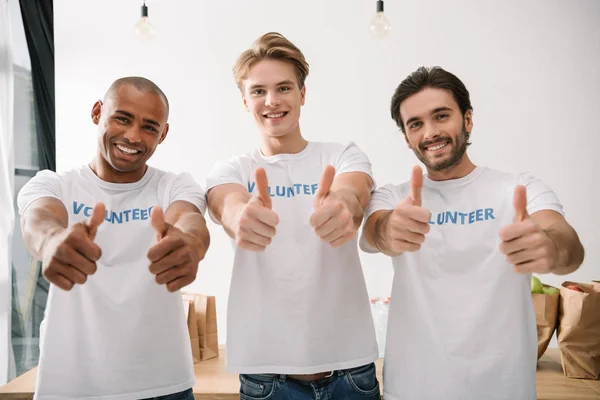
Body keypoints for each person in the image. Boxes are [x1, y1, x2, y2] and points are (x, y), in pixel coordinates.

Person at [360, 66, 585, 400]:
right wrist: (391, 229)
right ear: (407, 138)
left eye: (441, 116)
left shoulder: (518, 188)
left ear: (467, 119)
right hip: (412, 389)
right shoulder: (393, 197)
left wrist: (550, 249)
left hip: (504, 390)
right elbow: (376, 233)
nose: (430, 132)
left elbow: (567, 244)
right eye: (416, 124)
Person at [206, 32, 381, 399]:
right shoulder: (231, 170)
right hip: (267, 378)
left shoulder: (342, 155)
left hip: (350, 372)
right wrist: (241, 217)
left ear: (303, 94)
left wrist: (342, 206)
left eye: (283, 88)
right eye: (258, 91)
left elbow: (355, 192)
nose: (272, 101)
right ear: (244, 100)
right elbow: (227, 205)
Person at [18, 77, 210, 400]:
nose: (133, 136)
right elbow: (38, 219)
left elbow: (190, 220)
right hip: (70, 387)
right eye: (122, 118)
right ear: (97, 112)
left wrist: (191, 244)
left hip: (164, 388)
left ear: (162, 134)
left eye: (149, 127)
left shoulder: (174, 186)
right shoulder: (55, 185)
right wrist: (52, 241)